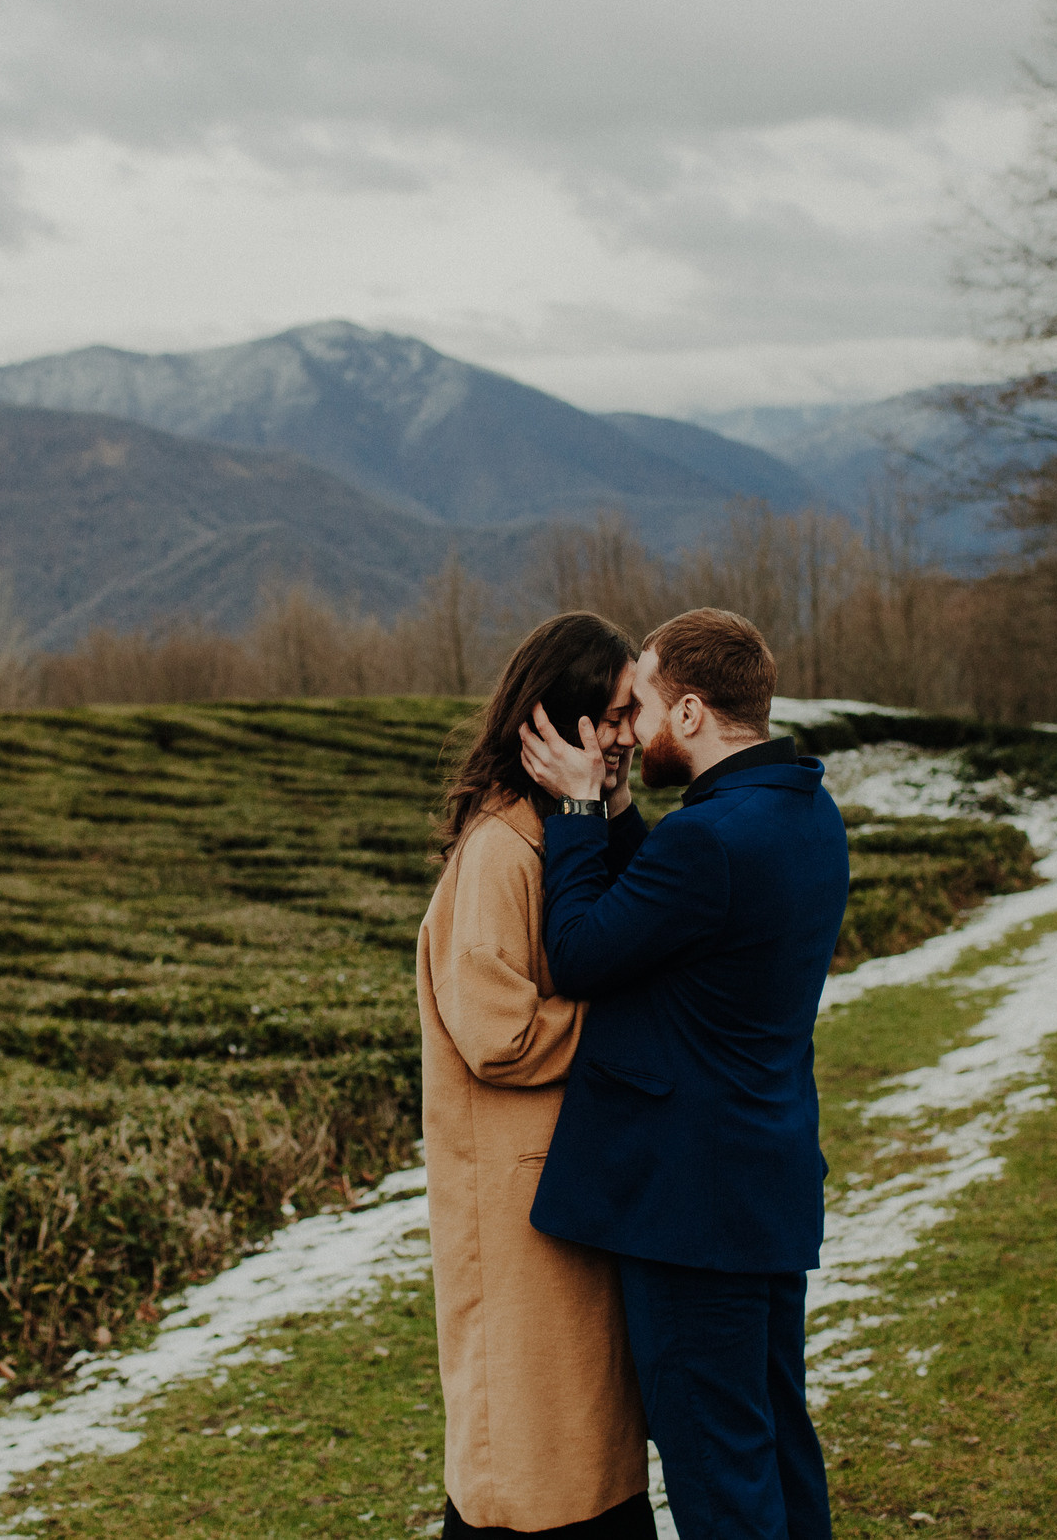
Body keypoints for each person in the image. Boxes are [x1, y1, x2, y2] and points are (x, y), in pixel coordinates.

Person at [517, 607, 847, 1540]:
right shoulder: (802, 810)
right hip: (763, 1190)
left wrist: (579, 809)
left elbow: (583, 949)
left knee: (718, 1474)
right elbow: (673, 917)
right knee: (776, 1446)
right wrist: (619, 809)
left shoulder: (707, 842)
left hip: (691, 1211)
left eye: (645, 704)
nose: (628, 728)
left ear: (693, 712)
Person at [416, 611, 658, 1540]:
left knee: (582, 1438)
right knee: (523, 1458)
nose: (633, 732)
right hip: (512, 1203)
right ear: (558, 725)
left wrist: (607, 802)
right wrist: (631, 1027)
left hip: (561, 1182)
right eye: (616, 715)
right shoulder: (498, 852)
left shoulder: (556, 836)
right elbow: (496, 1033)